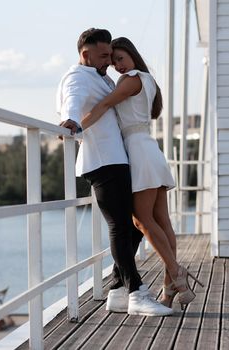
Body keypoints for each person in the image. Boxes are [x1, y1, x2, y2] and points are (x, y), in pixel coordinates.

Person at [81, 36, 204, 309]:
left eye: (121, 58)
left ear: (133, 56)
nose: (118, 66)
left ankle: (175, 271)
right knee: (161, 220)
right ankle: (169, 286)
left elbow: (103, 106)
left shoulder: (131, 79)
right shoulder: (148, 81)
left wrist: (78, 126)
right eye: (114, 62)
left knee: (142, 220)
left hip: (138, 151)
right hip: (149, 148)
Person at [57, 28, 173, 316]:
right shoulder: (78, 76)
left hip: (119, 159)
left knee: (132, 225)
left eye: (113, 56)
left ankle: (118, 291)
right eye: (105, 55)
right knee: (122, 226)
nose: (109, 61)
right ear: (86, 54)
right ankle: (136, 292)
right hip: (102, 160)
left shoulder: (106, 76)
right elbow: (72, 98)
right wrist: (70, 120)